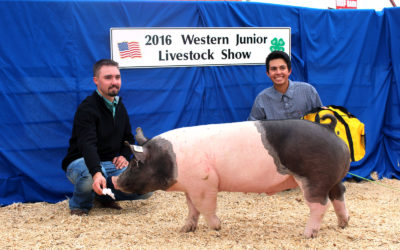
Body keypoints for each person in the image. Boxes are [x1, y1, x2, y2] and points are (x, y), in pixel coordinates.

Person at [62, 59, 151, 216]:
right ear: (96, 81)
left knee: (145, 185)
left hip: (109, 164)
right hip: (80, 162)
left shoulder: (119, 106)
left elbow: (128, 138)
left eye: (117, 77)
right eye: (108, 77)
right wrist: (97, 172)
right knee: (93, 174)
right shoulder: (87, 108)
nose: (114, 82)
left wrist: (124, 155)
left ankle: (103, 196)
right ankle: (79, 206)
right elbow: (87, 145)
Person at [248, 51, 322, 121]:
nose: (278, 72)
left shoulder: (308, 91)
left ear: (289, 71)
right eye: (273, 69)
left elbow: (322, 119)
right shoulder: (262, 99)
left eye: (282, 68)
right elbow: (253, 127)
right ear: (268, 73)